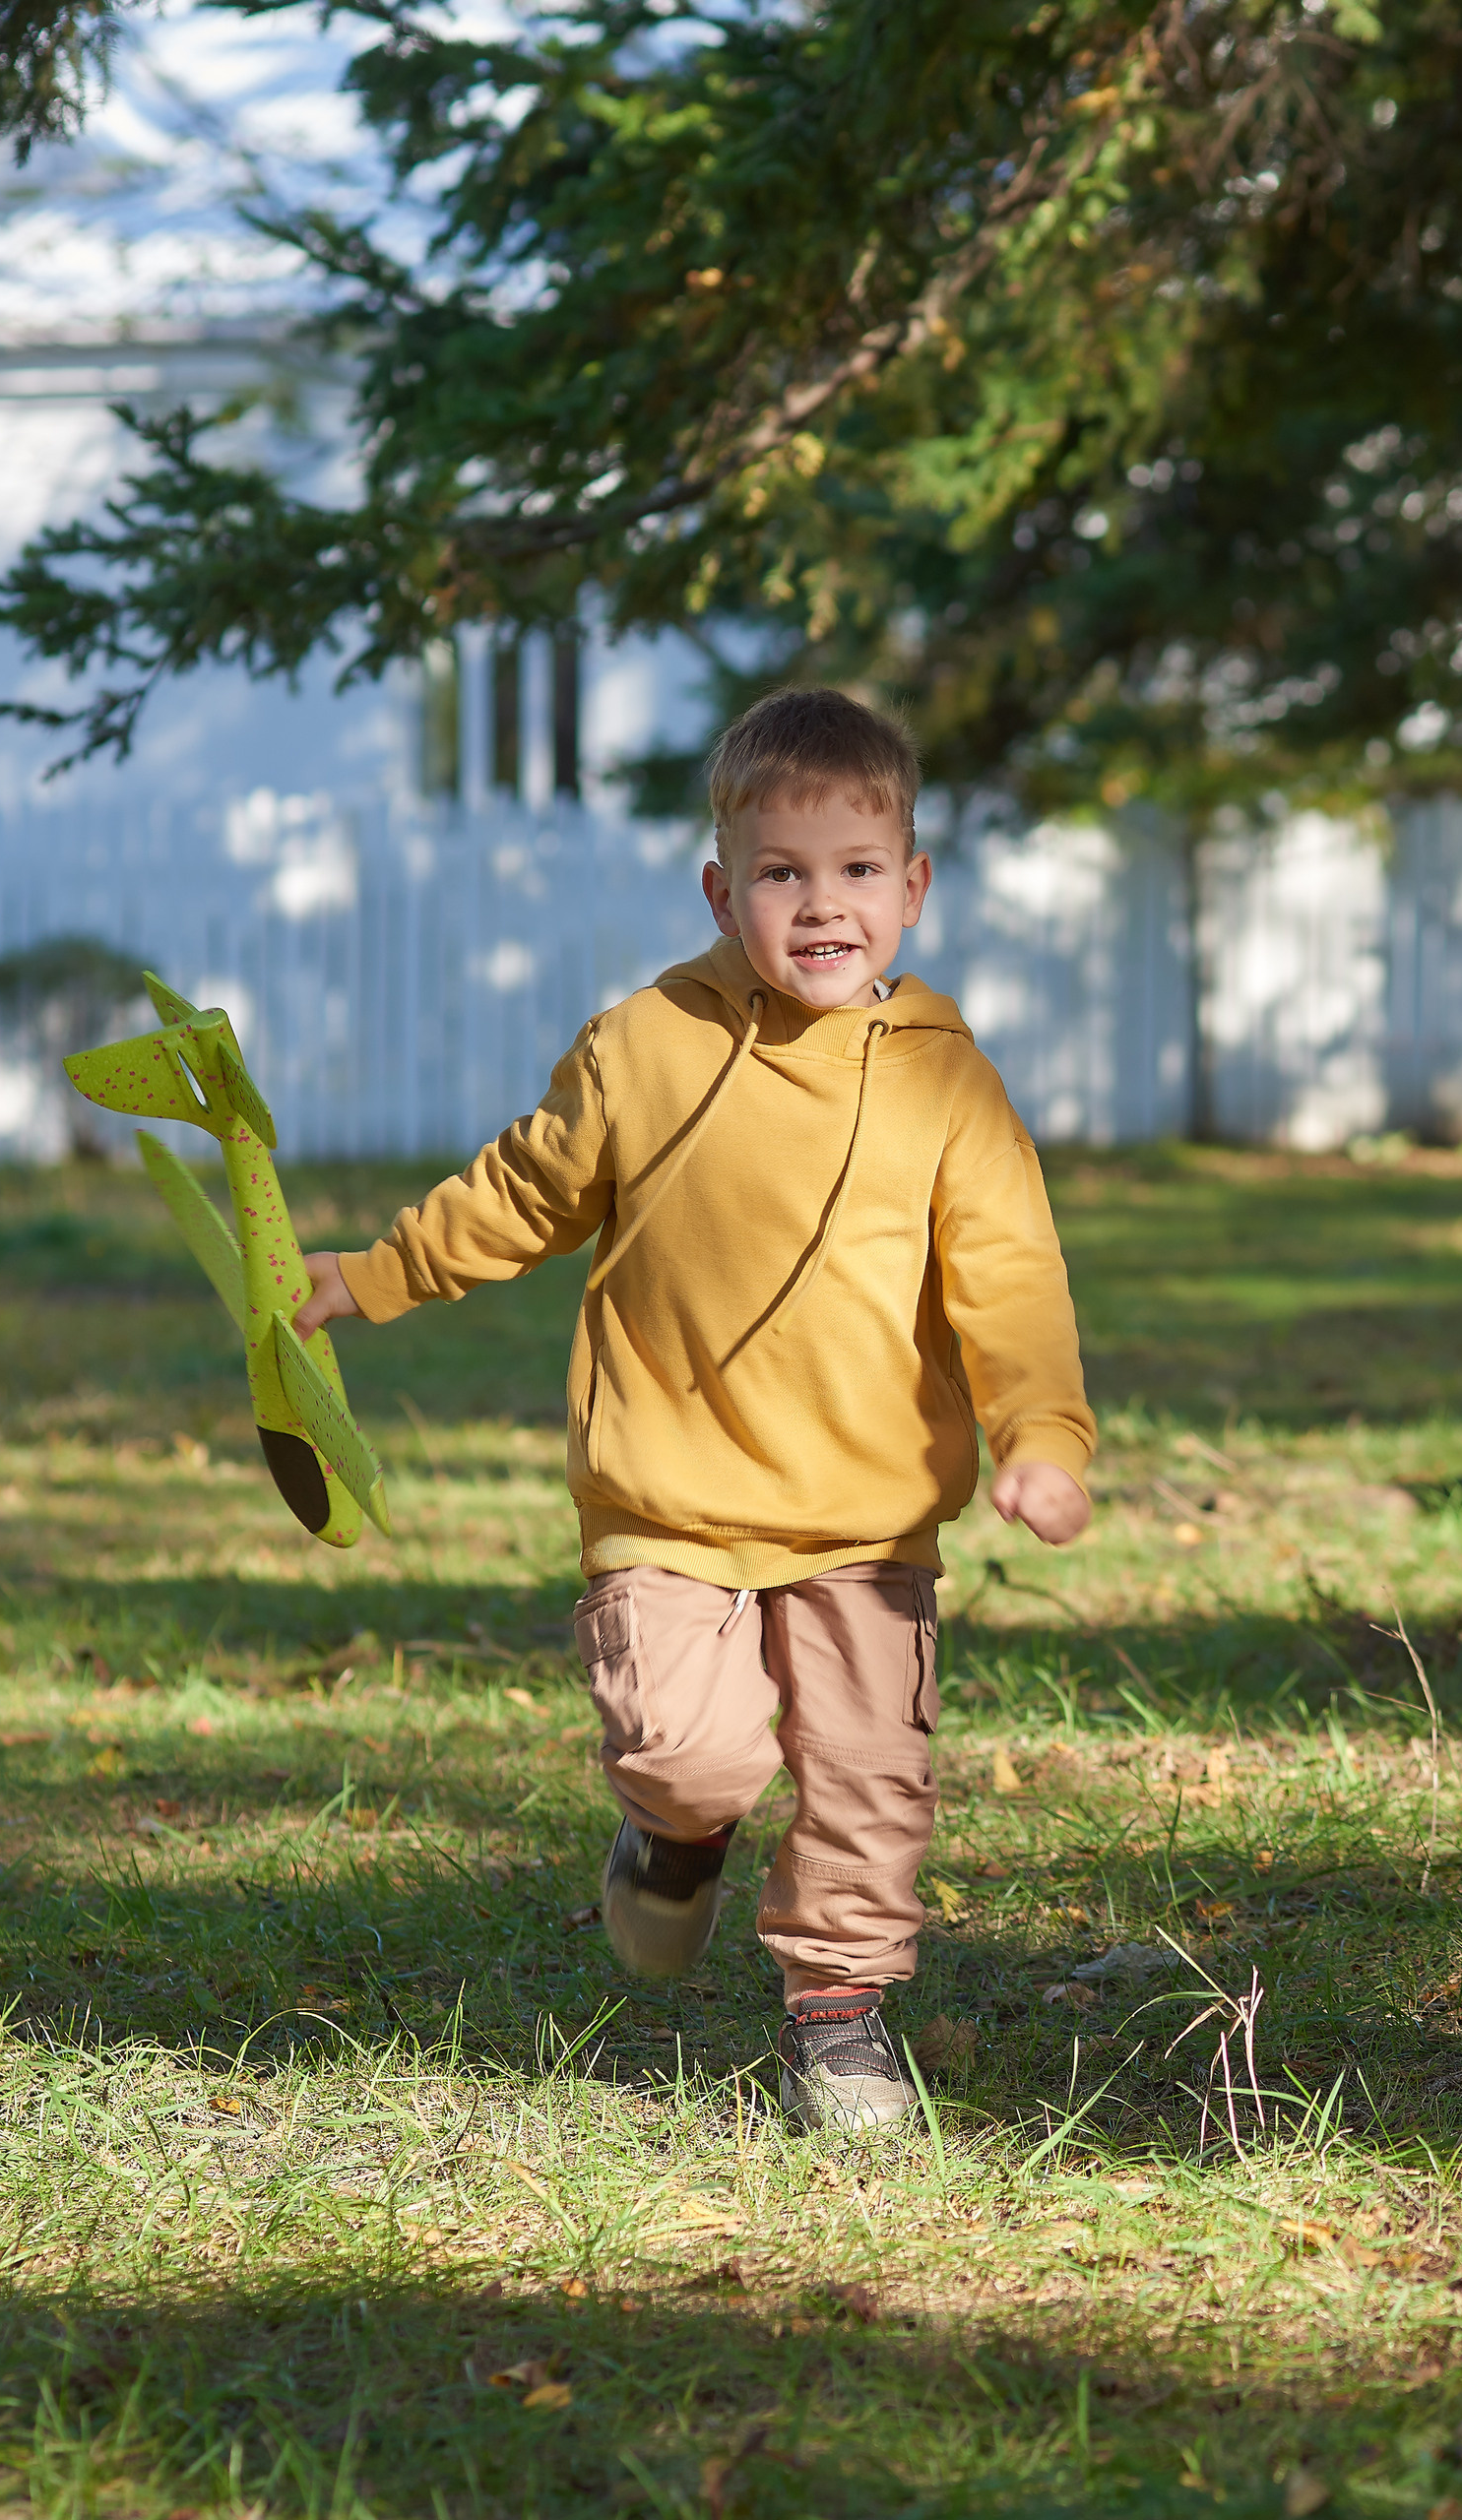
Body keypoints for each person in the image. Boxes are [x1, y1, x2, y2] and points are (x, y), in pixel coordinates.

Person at [291, 686, 1094, 2130]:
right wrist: (371, 1275)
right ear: (724, 889)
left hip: (867, 1514)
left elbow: (1014, 1282)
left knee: (865, 1783)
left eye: (857, 872)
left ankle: (838, 2022)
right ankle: (674, 1838)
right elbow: (522, 1193)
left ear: (912, 888)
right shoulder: (644, 1047)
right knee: (690, 1748)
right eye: (782, 873)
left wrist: (1043, 1436)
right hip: (667, 1495)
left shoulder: (949, 1088)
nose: (821, 905)